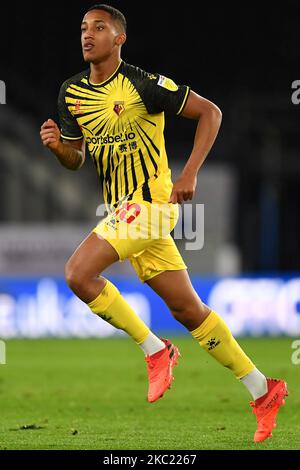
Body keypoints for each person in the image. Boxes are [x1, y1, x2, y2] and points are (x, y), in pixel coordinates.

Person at [40, 4, 287, 443]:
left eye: (99, 27)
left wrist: (189, 172)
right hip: (122, 211)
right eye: (83, 27)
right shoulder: (71, 93)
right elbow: (77, 160)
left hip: (151, 204)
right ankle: (262, 389)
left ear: (119, 38)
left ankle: (156, 350)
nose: (87, 34)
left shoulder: (141, 83)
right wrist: (60, 148)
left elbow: (211, 113)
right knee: (188, 310)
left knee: (78, 273)